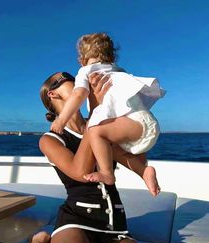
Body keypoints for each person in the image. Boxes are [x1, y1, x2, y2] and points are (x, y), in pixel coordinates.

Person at [29, 71, 166, 243]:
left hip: (112, 225)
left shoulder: (102, 125)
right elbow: (79, 171)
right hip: (75, 221)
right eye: (69, 79)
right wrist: (97, 112)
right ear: (52, 94)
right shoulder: (50, 140)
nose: (77, 81)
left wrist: (143, 162)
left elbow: (130, 157)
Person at [51, 33, 165, 196]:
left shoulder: (86, 71)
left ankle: (107, 174)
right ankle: (143, 171)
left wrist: (62, 119)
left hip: (135, 123)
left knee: (95, 131)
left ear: (81, 59)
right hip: (141, 124)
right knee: (109, 145)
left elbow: (79, 95)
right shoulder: (117, 70)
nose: (71, 81)